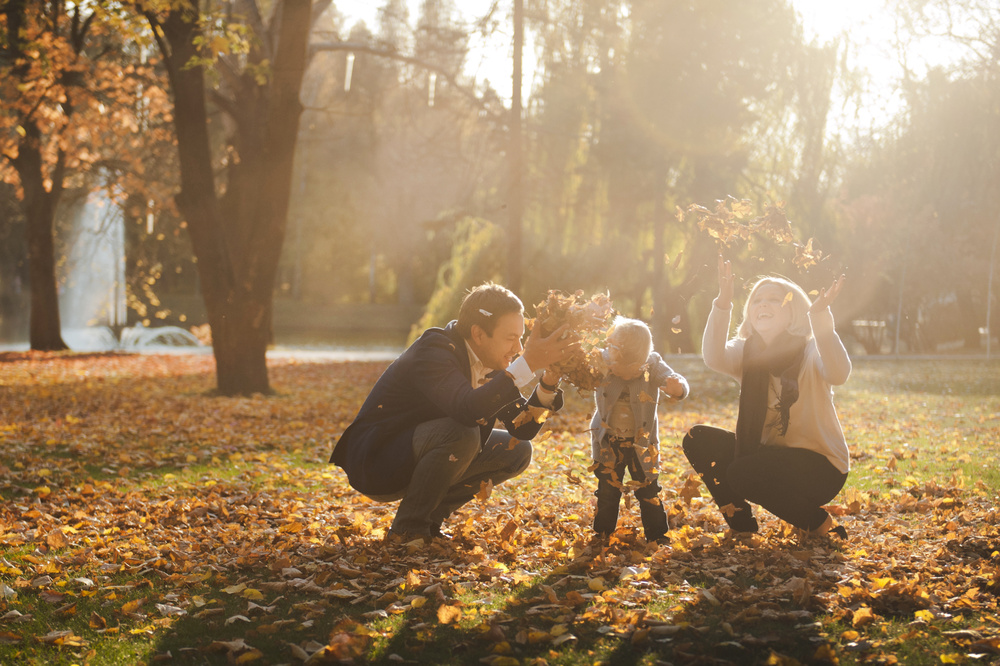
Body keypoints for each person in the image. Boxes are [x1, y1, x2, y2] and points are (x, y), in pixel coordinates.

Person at [330, 282, 577, 542]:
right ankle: (408, 529)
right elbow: (466, 409)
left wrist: (549, 381)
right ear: (478, 334)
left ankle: (429, 523)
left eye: (520, 338)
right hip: (379, 462)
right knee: (462, 434)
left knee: (518, 450)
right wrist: (527, 364)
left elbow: (522, 428)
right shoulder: (435, 350)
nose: (518, 349)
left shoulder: (492, 362)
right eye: (510, 338)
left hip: (420, 451)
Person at [682, 257, 851, 538]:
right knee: (697, 439)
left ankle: (817, 522)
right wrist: (723, 303)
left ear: (794, 311)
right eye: (757, 300)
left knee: (742, 472)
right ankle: (742, 526)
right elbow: (714, 357)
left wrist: (821, 317)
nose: (763, 304)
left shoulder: (810, 351)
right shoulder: (748, 353)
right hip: (770, 458)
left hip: (822, 467)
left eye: (774, 299)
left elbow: (839, 373)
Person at [590, 316, 689, 544]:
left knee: (648, 490)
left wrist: (677, 388)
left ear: (643, 361)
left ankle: (657, 535)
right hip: (608, 441)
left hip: (642, 444)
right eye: (620, 369)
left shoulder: (652, 365)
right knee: (607, 490)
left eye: (633, 372)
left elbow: (676, 380)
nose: (626, 376)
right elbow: (581, 371)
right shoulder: (604, 360)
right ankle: (602, 533)